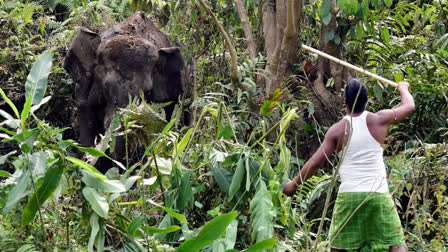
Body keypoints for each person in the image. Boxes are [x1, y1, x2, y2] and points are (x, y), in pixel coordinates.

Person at [283, 79, 415, 252]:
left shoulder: (338, 130)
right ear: (367, 100)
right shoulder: (379, 119)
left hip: (350, 196)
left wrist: (292, 185)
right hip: (377, 194)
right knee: (396, 242)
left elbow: (315, 163)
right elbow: (409, 106)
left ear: (344, 100)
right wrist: (403, 88)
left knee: (337, 247)